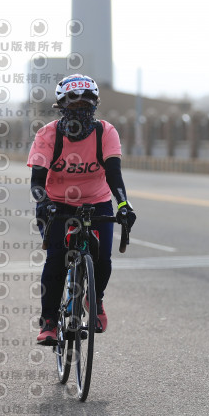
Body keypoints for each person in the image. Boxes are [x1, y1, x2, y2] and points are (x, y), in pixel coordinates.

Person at [27, 74, 137, 345]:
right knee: (56, 259)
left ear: (95, 105)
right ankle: (49, 322)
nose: (79, 109)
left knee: (103, 260)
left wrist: (123, 204)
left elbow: (113, 174)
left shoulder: (106, 133)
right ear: (61, 107)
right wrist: (44, 203)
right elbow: (37, 182)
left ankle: (94, 300)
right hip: (57, 203)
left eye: (85, 105)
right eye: (72, 104)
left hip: (96, 201)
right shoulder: (48, 134)